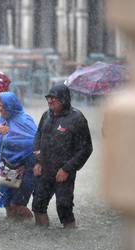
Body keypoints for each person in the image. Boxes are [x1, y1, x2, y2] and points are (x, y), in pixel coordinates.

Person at [32, 83, 93, 228]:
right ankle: (42, 238)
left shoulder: (77, 118)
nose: (50, 101)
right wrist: (37, 161)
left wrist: (67, 169)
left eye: (54, 98)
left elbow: (86, 148)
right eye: (48, 98)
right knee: (37, 205)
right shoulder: (46, 115)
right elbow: (38, 135)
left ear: (64, 99)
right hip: (45, 169)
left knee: (64, 208)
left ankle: (70, 240)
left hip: (63, 172)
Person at [0, 92, 37, 219]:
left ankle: (36, 231)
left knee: (18, 205)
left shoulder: (25, 120)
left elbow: (34, 143)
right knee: (8, 205)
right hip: (5, 168)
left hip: (25, 169)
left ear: (10, 106)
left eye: (2, 106)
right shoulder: (1, 121)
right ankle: (13, 231)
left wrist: (10, 139)